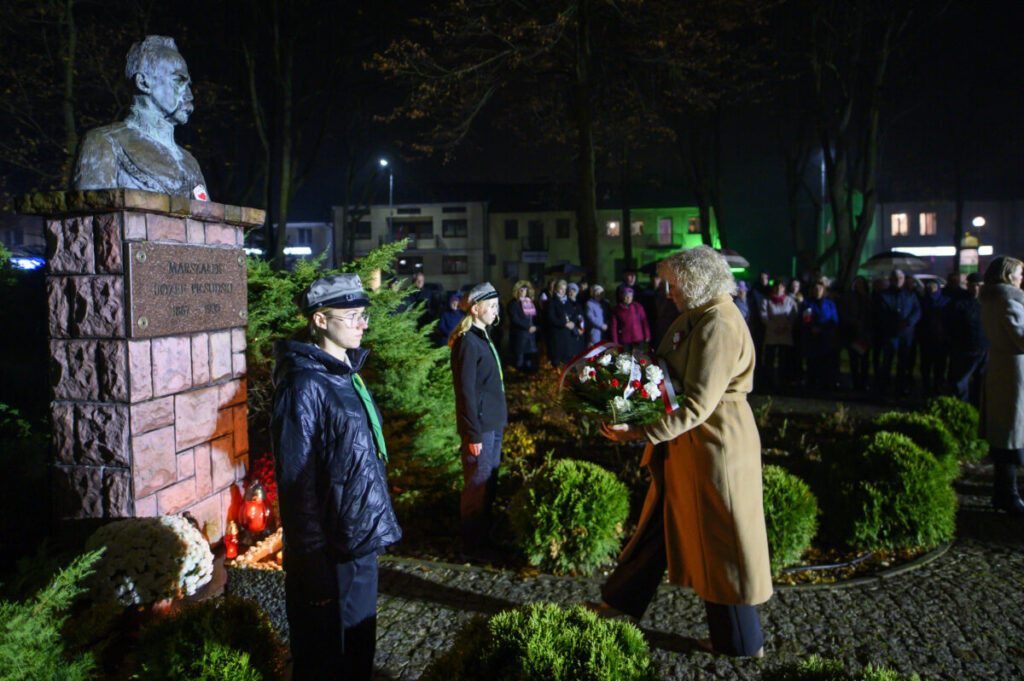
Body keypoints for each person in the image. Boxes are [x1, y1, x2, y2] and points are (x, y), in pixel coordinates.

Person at [595, 245, 771, 658]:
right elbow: (671, 374)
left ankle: (741, 643)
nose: (667, 292)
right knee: (661, 526)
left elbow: (697, 404)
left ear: (696, 282)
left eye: (673, 285)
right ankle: (619, 603)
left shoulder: (718, 324)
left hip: (715, 448)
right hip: (695, 448)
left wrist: (638, 430)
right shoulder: (703, 316)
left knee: (724, 543)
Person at [272, 273, 401, 681]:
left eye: (364, 314)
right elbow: (297, 481)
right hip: (332, 548)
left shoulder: (343, 372)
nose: (364, 323)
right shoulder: (305, 383)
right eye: (353, 315)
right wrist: (311, 563)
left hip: (357, 539)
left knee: (358, 652)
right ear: (320, 320)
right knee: (328, 659)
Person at [74, 36, 207, 198]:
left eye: (189, 85)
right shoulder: (105, 142)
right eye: (179, 81)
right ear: (143, 83)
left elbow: (209, 217)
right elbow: (91, 214)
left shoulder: (189, 163)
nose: (189, 95)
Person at [449, 283, 508, 554]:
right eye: (492, 306)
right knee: (477, 484)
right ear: (476, 309)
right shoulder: (467, 341)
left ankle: (486, 537)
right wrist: (471, 433)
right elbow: (466, 391)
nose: (496, 311)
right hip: (480, 427)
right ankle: (472, 544)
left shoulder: (483, 336)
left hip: (494, 422)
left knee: (489, 481)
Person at [979, 256, 1024, 516]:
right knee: (1009, 437)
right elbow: (1020, 337)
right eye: (1018, 274)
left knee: (1004, 434)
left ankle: (1003, 493)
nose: (1021, 279)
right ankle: (1009, 495)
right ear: (1007, 276)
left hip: (1003, 369)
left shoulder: (992, 299)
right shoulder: (1007, 300)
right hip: (1013, 373)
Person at [873, 269, 921, 395]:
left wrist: (909, 322)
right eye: (895, 278)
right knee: (887, 361)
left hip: (906, 334)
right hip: (891, 334)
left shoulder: (910, 295)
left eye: (900, 278)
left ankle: (900, 387)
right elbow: (880, 313)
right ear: (891, 280)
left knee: (903, 362)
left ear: (904, 280)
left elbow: (917, 310)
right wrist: (895, 323)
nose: (898, 280)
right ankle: (884, 387)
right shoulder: (883, 295)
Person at [798, 276, 839, 391]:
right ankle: (811, 384)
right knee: (812, 363)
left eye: (820, 289)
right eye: (815, 289)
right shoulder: (807, 303)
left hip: (826, 338)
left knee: (825, 363)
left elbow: (834, 321)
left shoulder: (830, 304)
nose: (817, 291)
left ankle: (825, 384)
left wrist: (823, 329)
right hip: (812, 338)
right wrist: (812, 327)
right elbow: (804, 319)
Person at [759, 279, 799, 390]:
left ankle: (783, 382)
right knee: (769, 360)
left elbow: (793, 315)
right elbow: (764, 316)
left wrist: (786, 327)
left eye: (781, 287)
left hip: (785, 335)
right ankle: (769, 382)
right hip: (772, 334)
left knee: (784, 359)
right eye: (776, 287)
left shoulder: (789, 301)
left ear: (784, 288)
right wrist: (774, 327)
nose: (778, 289)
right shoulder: (766, 301)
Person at [838, 276, 873, 391]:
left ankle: (864, 382)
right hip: (852, 332)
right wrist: (853, 321)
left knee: (864, 360)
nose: (859, 285)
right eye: (857, 283)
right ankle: (855, 382)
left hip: (865, 333)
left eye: (861, 283)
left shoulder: (869, 297)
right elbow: (843, 312)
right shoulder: (849, 297)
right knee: (854, 359)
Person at [919, 278, 952, 393]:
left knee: (940, 365)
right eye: (929, 287)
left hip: (941, 338)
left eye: (934, 287)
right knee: (926, 365)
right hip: (926, 338)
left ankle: (938, 386)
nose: (931, 290)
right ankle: (926, 387)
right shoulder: (923, 301)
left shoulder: (946, 302)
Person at [506, 281, 538, 371]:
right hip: (520, 335)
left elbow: (534, 317)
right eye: (521, 290)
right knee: (519, 359)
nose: (524, 292)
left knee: (529, 358)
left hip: (530, 335)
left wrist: (535, 327)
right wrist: (527, 327)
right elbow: (515, 319)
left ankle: (527, 377)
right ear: (517, 291)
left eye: (525, 290)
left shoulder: (529, 302)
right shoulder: (513, 304)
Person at [546, 279, 577, 366]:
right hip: (557, 336)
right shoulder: (552, 302)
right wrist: (564, 323)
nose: (563, 291)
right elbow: (551, 318)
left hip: (567, 336)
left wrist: (573, 323)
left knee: (568, 360)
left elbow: (574, 314)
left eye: (565, 289)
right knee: (557, 361)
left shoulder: (568, 302)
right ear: (556, 290)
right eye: (561, 289)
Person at [610, 286, 651, 351]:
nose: (628, 298)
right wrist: (615, 341)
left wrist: (647, 334)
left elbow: (644, 321)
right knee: (626, 359)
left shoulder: (638, 307)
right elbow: (614, 327)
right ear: (622, 297)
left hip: (638, 338)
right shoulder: (617, 309)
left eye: (630, 296)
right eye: (626, 296)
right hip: (624, 339)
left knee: (639, 358)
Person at [566, 282, 586, 355]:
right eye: (570, 291)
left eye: (573, 291)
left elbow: (581, 318)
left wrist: (581, 329)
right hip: (570, 334)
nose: (571, 293)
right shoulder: (565, 304)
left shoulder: (578, 305)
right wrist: (575, 328)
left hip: (579, 334)